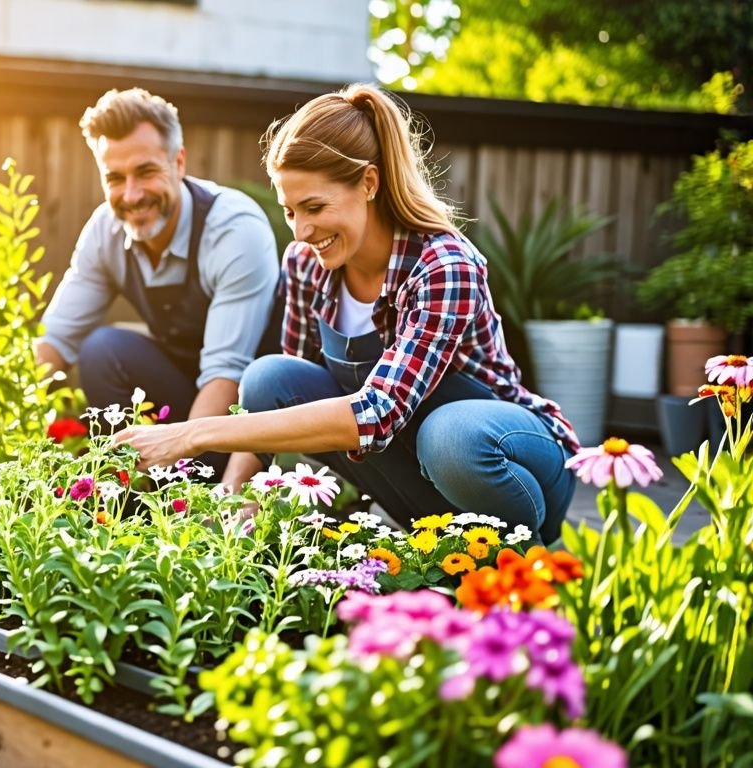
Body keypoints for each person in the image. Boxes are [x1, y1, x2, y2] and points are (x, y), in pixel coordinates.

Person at [114, 84, 579, 543]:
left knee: (450, 437)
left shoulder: (442, 266)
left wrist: (195, 433)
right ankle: (443, 550)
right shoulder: (306, 265)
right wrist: (227, 515)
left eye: (314, 207)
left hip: (512, 464)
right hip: (418, 476)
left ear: (369, 183)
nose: (301, 231)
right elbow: (277, 410)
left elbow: (378, 413)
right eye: (290, 212)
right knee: (268, 377)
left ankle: (524, 561)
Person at [36, 88, 280, 475]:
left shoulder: (233, 229)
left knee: (242, 389)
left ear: (178, 161)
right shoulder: (105, 231)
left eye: (146, 172)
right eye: (115, 178)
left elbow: (225, 372)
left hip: (245, 418)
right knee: (103, 350)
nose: (131, 195)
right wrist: (1, 435)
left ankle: (182, 491)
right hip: (181, 397)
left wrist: (182, 478)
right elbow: (54, 342)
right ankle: (124, 495)